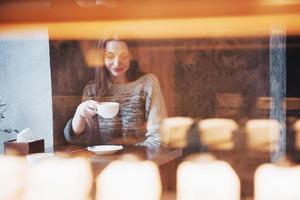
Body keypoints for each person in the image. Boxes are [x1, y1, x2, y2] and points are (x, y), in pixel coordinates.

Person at [64, 38, 167, 147]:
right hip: (102, 162)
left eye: (124, 56)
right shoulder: (91, 90)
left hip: (139, 161)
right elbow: (80, 141)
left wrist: (127, 156)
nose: (117, 62)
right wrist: (79, 113)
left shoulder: (147, 83)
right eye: (110, 56)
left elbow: (159, 139)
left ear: (132, 56)